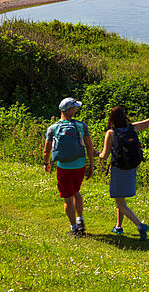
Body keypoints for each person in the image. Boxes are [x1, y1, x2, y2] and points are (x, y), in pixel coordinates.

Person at [97, 104, 149, 240]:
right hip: (131, 167)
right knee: (122, 199)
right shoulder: (132, 127)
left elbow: (104, 155)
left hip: (118, 169)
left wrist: (96, 153)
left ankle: (140, 225)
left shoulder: (111, 133)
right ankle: (118, 226)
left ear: (111, 120)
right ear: (124, 116)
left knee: (120, 203)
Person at [44, 97, 95, 237]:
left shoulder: (53, 128)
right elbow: (90, 148)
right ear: (70, 110)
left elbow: (46, 150)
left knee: (67, 197)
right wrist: (91, 165)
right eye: (75, 107)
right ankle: (80, 221)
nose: (76, 109)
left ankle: (74, 229)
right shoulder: (81, 126)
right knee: (76, 192)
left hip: (63, 168)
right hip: (79, 166)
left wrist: (46, 163)